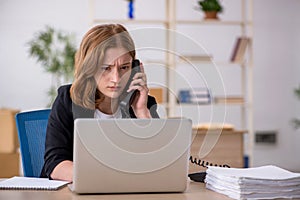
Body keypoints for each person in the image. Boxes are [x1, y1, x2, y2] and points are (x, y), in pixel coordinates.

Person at [40, 24, 159, 181]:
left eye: (124, 67)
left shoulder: (142, 102)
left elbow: (160, 162)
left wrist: (142, 112)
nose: (116, 78)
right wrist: (109, 177)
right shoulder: (68, 100)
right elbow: (55, 165)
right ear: (89, 67)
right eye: (106, 68)